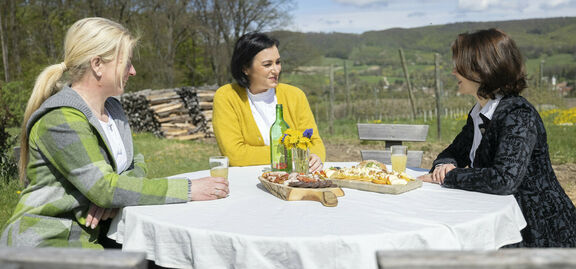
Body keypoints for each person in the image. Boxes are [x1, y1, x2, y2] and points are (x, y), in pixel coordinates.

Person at [0, 17, 229, 249]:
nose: (133, 71)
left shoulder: (114, 110)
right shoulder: (60, 118)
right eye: (127, 63)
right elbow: (104, 188)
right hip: (50, 241)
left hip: (101, 235)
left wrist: (115, 194)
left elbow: (136, 165)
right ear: (97, 64)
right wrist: (188, 189)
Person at [418, 29, 576, 247]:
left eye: (459, 66)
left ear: (482, 69)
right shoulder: (481, 111)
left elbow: (504, 180)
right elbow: (454, 151)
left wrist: (449, 177)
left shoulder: (518, 115)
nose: (453, 71)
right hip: (505, 220)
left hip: (538, 231)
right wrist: (445, 164)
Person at [213, 32, 325, 171]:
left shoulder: (295, 95)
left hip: (294, 180)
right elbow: (236, 155)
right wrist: (294, 154)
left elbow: (314, 142)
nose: (276, 70)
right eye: (267, 64)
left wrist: (315, 156)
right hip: (247, 181)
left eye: (278, 62)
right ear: (245, 68)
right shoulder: (227, 96)